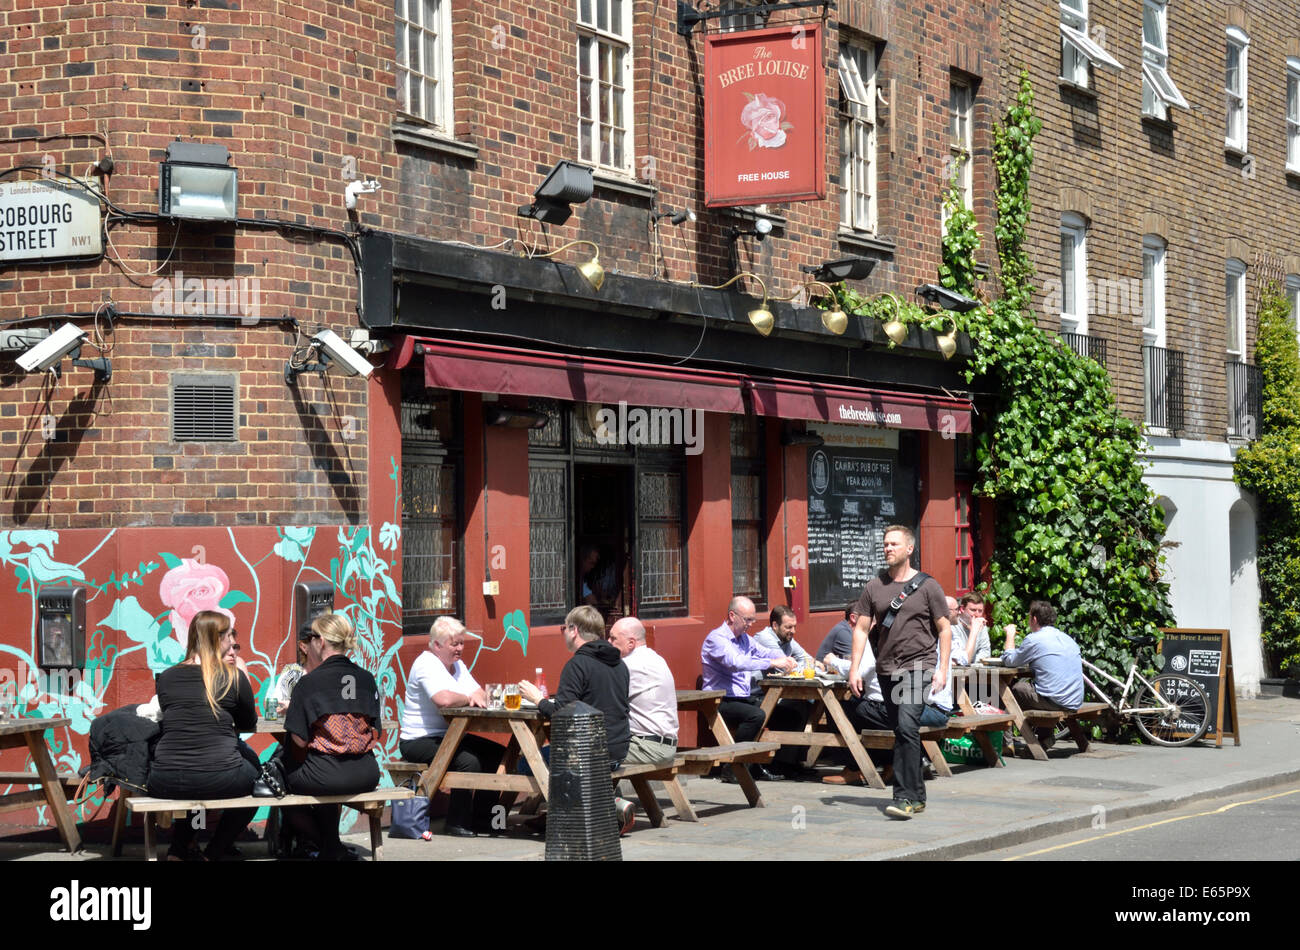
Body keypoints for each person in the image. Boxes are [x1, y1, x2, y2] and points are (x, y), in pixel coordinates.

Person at [849, 525, 951, 820]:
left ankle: (904, 797)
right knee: (902, 731)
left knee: (906, 726)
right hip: (887, 668)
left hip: (919, 666)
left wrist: (942, 669)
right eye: (884, 544)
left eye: (894, 544)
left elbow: (944, 629)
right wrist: (854, 669)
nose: (887, 548)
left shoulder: (928, 586)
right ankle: (917, 795)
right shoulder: (874, 587)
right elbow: (861, 629)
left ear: (909, 549)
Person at [148, 610, 259, 861]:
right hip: (217, 776)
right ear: (217, 639)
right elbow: (248, 722)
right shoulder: (232, 676)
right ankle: (215, 850)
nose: (232, 641)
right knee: (256, 778)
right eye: (229, 635)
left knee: (196, 784)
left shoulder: (166, 677)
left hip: (164, 778)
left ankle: (180, 847)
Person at [517, 605, 635, 831]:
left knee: (525, 763)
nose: (563, 633)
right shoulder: (620, 665)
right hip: (618, 750)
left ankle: (608, 806)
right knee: (553, 758)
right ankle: (563, 815)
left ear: (574, 630)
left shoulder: (577, 664)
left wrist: (537, 699)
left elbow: (562, 714)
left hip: (589, 752)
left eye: (564, 627)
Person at [280, 612, 382, 861]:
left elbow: (299, 740)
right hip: (367, 774)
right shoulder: (366, 679)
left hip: (324, 776)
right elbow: (377, 732)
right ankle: (331, 847)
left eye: (312, 636)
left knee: (281, 781)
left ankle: (325, 845)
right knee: (320, 768)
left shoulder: (309, 683)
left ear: (321, 641)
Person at [399, 616, 505, 837]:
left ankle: (483, 818)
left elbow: (480, 693)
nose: (459, 649)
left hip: (449, 735)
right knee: (469, 761)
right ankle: (457, 822)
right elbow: (443, 700)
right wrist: (467, 696)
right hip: (418, 739)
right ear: (437, 645)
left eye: (461, 643)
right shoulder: (426, 663)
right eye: (454, 644)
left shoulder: (457, 665)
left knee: (498, 754)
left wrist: (470, 695)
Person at [700, 596, 797, 782]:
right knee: (757, 715)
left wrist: (783, 658)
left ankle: (778, 765)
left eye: (753, 619)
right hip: (720, 699)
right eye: (747, 619)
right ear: (732, 615)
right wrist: (771, 662)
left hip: (742, 697)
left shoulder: (744, 639)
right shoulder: (716, 639)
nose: (751, 624)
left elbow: (765, 651)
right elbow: (737, 663)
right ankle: (733, 767)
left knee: (789, 712)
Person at [1002, 600, 1083, 748]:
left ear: (1034, 619)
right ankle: (1045, 738)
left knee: (1013, 691)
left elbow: (1009, 660)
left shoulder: (1035, 639)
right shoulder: (1067, 638)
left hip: (1057, 701)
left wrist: (1010, 635)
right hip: (1074, 700)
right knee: (1044, 689)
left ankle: (1006, 744)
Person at [608, 617, 678, 766]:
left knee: (582, 753)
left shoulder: (628, 665)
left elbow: (604, 699)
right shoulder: (656, 658)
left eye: (613, 638)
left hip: (648, 748)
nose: (608, 641)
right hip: (662, 745)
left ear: (631, 643)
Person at [951, 592, 992, 666]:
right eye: (973, 610)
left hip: (973, 668)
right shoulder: (953, 625)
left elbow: (985, 652)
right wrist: (974, 631)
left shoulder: (981, 625)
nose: (977, 614)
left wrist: (972, 663)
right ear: (962, 609)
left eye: (980, 611)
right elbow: (958, 657)